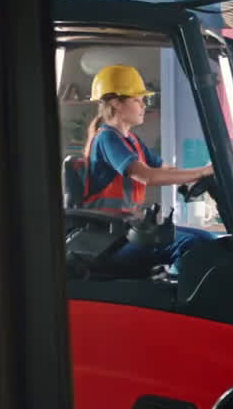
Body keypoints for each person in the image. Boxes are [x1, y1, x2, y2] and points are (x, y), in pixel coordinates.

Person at [70, 63, 216, 275]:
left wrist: (196, 175)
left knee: (207, 240)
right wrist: (202, 172)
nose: (143, 105)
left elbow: (165, 169)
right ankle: (176, 298)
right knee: (191, 246)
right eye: (137, 100)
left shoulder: (131, 140)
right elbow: (146, 176)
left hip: (127, 230)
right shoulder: (107, 138)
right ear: (116, 103)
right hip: (110, 241)